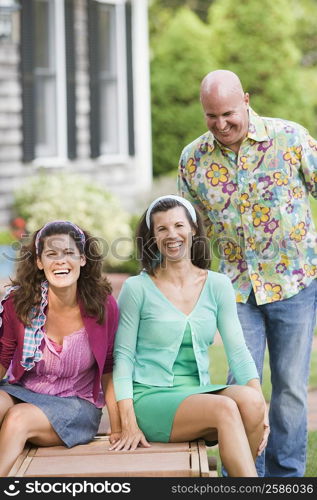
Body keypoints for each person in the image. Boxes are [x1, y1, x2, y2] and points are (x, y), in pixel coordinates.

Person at [177, 69, 317, 477]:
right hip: (236, 290)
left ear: (247, 100)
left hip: (295, 284)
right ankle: (242, 476)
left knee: (290, 388)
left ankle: (286, 475)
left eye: (228, 114)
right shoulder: (194, 159)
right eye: (211, 116)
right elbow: (191, 231)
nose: (221, 124)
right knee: (240, 386)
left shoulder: (289, 139)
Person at [111, 195, 268, 477]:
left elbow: (238, 351)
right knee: (225, 409)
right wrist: (127, 420)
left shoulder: (217, 285)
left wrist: (261, 412)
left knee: (253, 402)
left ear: (193, 229)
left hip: (198, 393)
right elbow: (122, 358)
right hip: (150, 397)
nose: (172, 235)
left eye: (179, 225)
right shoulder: (138, 288)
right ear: (153, 237)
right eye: (162, 229)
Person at [0, 220, 120, 477]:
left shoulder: (102, 306)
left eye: (68, 253)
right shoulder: (18, 303)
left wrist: (118, 427)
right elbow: (3, 357)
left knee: (18, 418)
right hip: (26, 391)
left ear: (83, 259)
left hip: (76, 404)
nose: (60, 261)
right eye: (51, 254)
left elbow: (109, 368)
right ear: (39, 262)